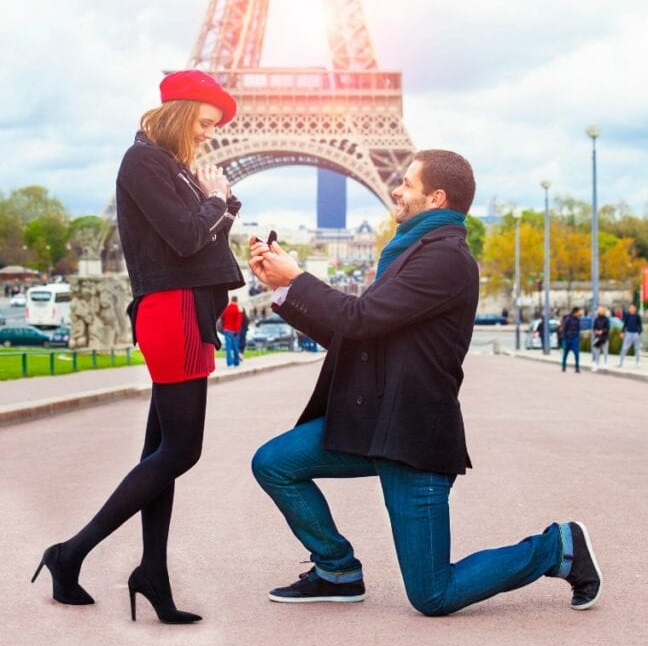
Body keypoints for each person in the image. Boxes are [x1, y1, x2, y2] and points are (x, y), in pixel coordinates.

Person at [248, 150, 602, 615]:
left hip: (413, 435)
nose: (396, 190)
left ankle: (557, 547)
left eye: (407, 184)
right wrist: (284, 289)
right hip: (374, 423)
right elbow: (354, 334)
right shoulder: (411, 252)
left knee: (433, 595)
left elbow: (360, 317)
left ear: (436, 197)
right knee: (273, 463)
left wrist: (297, 277)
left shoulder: (446, 259)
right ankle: (336, 569)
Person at [32, 70, 244, 623]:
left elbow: (197, 238)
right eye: (202, 124)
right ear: (177, 114)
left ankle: (152, 572)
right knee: (181, 451)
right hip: (170, 310)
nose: (206, 137)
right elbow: (185, 236)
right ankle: (69, 553)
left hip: (186, 310)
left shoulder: (170, 166)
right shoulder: (143, 161)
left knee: (161, 454)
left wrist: (222, 202)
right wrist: (218, 198)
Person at [221, 295, 243, 366]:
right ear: (237, 300)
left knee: (228, 347)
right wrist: (237, 330)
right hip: (234, 331)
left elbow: (222, 318)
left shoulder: (226, 308)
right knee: (235, 346)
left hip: (226, 329)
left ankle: (229, 362)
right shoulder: (238, 309)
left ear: (231, 300)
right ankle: (236, 362)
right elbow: (238, 322)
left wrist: (224, 326)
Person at [560, 307, 582, 373]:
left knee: (576, 353)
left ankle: (577, 367)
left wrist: (578, 337)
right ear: (575, 312)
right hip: (568, 338)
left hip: (575, 338)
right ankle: (563, 366)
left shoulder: (578, 320)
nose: (579, 313)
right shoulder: (568, 319)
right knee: (565, 354)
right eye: (578, 312)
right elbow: (564, 329)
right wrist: (564, 338)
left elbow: (578, 329)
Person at [591, 307, 611, 371]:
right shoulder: (596, 319)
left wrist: (602, 331)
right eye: (599, 310)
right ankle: (597, 364)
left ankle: (605, 363)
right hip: (597, 338)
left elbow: (607, 328)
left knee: (605, 351)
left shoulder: (606, 319)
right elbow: (594, 327)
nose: (600, 311)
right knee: (596, 351)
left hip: (604, 337)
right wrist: (595, 331)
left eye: (601, 310)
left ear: (604, 311)